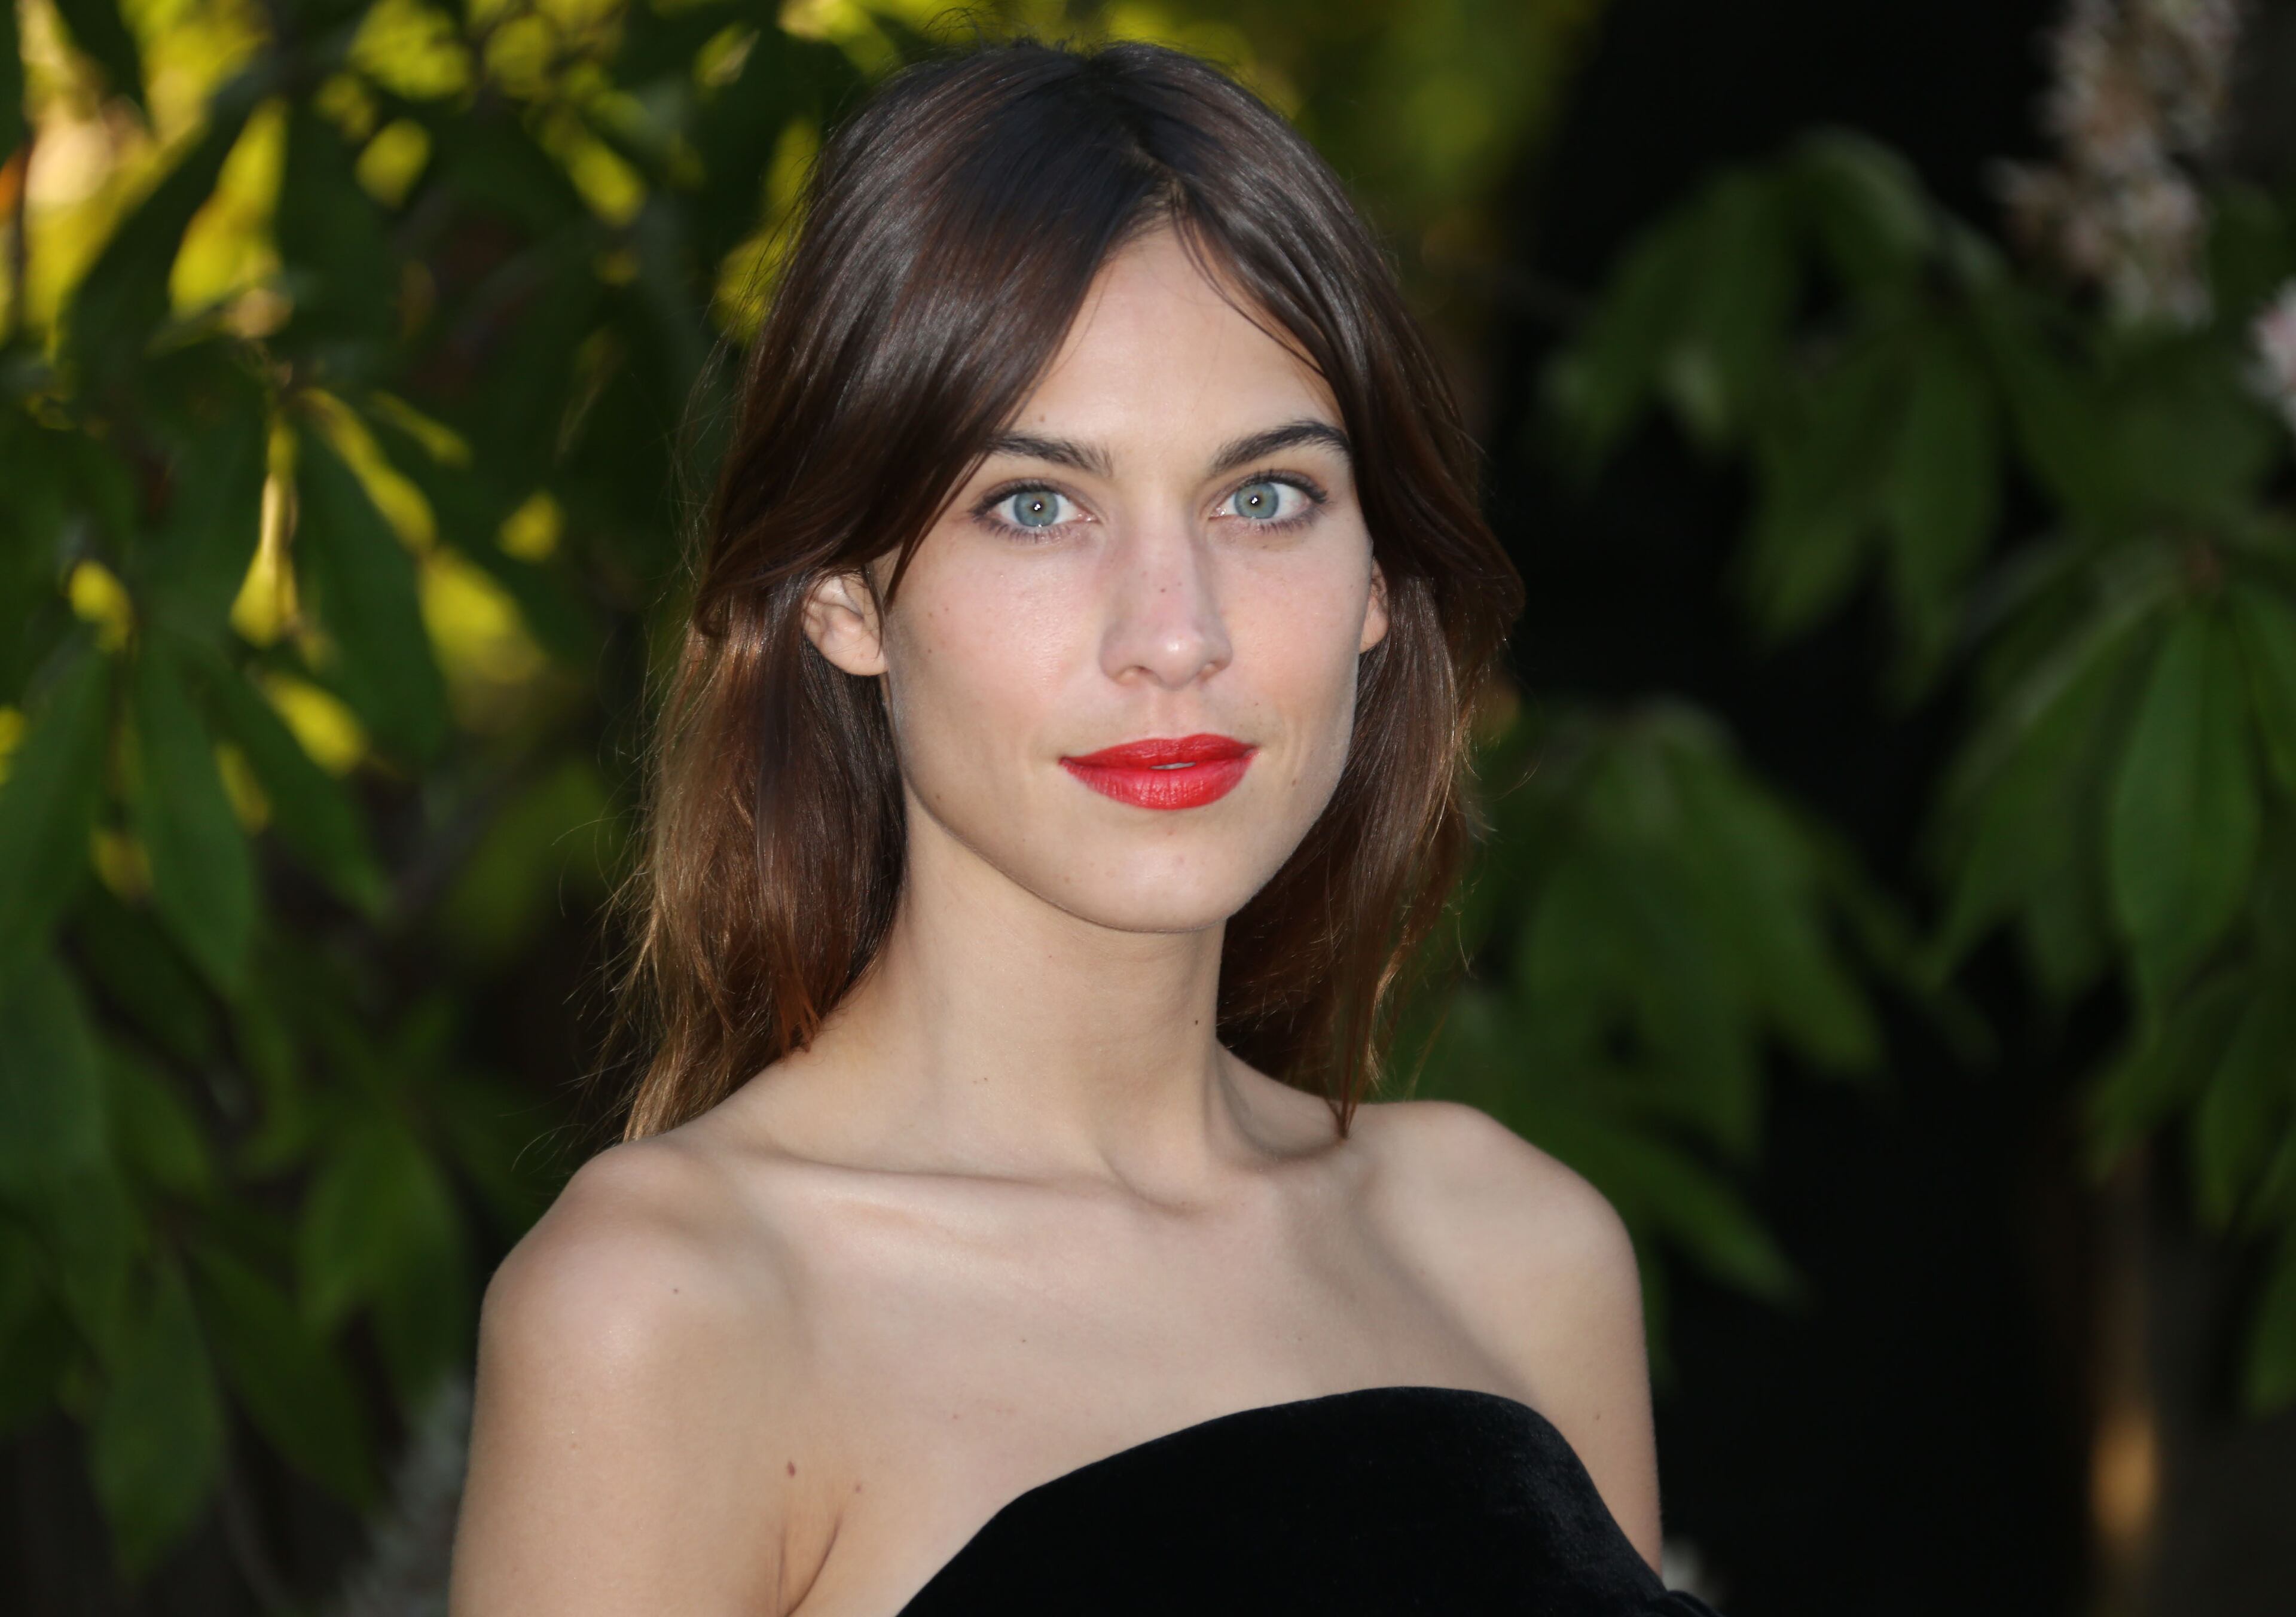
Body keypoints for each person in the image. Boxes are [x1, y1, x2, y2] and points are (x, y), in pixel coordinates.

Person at [448, 33, 1718, 1617]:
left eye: (1265, 497)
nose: (1175, 635)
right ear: (842, 592)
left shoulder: (1519, 1253)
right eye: (1036, 506)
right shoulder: (667, 1311)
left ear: (1380, 584)